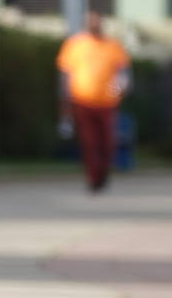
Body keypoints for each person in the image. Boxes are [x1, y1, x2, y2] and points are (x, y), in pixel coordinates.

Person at [56, 10, 131, 192]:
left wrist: (118, 91)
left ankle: (103, 173)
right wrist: (65, 100)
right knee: (89, 142)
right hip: (82, 101)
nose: (93, 25)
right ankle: (92, 177)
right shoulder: (74, 45)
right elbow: (65, 75)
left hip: (107, 103)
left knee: (107, 142)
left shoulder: (112, 46)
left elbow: (122, 75)